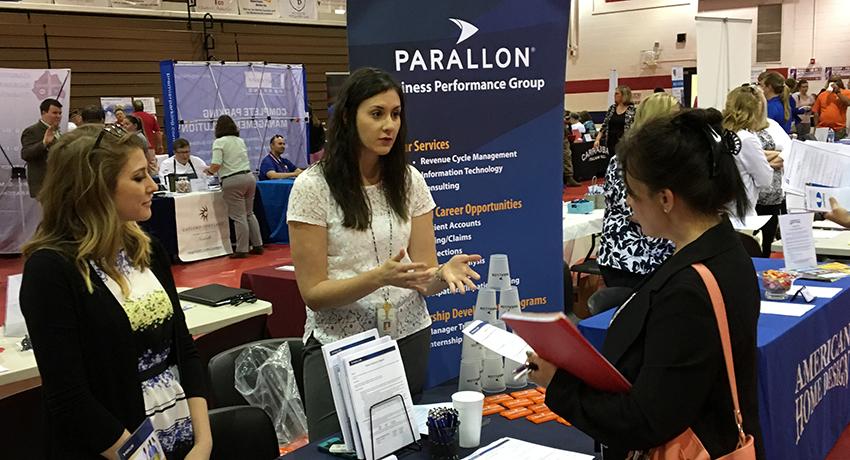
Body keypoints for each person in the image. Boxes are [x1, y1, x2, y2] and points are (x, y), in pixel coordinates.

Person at [527, 108, 764, 460]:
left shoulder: (689, 291)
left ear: (666, 199)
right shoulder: (727, 249)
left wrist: (558, 384)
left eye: (634, 194)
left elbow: (646, 419)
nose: (627, 204)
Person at [286, 67, 482, 441]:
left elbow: (423, 278)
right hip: (339, 349)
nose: (388, 125)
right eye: (376, 114)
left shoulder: (410, 181)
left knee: (404, 445)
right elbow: (313, 293)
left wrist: (443, 273)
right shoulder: (312, 187)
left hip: (408, 337)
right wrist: (379, 277)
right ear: (347, 117)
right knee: (335, 450)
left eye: (395, 114)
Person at [19, 124, 211, 459]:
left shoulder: (147, 250)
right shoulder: (51, 269)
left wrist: (203, 442)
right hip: (116, 449)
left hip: (177, 435)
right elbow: (69, 397)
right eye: (138, 178)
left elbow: (184, 349)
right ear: (95, 188)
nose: (152, 186)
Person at [597, 92, 678, 288]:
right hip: (628, 258)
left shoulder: (670, 158)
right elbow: (632, 211)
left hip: (661, 257)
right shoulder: (626, 161)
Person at [207, 115, 263, 258]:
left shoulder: (219, 142)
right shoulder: (240, 140)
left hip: (232, 180)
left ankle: (242, 249)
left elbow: (216, 164)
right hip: (249, 178)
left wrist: (208, 171)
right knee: (250, 213)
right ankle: (258, 244)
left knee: (238, 216)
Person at [722, 86, 774, 217]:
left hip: (722, 209)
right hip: (742, 213)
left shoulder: (721, 134)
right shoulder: (747, 139)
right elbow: (765, 180)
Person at [754, 86, 791, 257]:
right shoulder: (740, 132)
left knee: (768, 245)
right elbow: (745, 157)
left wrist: (761, 157)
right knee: (752, 246)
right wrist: (770, 156)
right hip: (752, 199)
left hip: (774, 197)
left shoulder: (772, 125)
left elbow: (789, 153)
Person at [20, 98, 62, 198]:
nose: (58, 116)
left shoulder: (57, 131)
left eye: (60, 113)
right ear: (43, 113)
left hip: (58, 183)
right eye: (55, 113)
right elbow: (26, 154)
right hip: (43, 185)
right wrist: (44, 143)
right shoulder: (32, 131)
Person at [594, 85, 636, 159]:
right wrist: (597, 139)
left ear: (624, 95)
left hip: (625, 144)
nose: (614, 96)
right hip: (611, 142)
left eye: (617, 94)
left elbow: (635, 128)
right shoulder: (612, 108)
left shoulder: (632, 110)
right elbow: (604, 125)